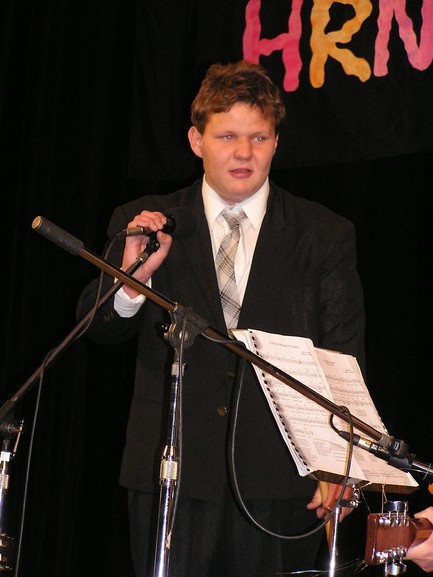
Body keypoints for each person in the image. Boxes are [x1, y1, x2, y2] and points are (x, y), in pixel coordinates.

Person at [76, 60, 366, 577]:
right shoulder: (148, 222)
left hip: (281, 479)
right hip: (170, 470)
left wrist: (342, 464)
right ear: (196, 140)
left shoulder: (323, 233)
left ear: (276, 143)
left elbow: (343, 356)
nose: (243, 152)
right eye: (227, 135)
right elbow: (98, 328)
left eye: (259, 137)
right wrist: (132, 281)